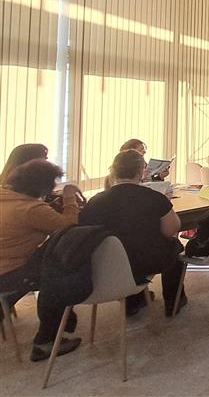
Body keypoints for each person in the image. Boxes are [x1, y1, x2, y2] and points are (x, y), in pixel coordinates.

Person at [81, 150, 186, 316]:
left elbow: (85, 232)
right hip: (146, 261)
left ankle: (133, 301)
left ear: (113, 172)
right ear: (140, 172)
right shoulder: (155, 198)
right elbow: (172, 229)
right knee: (175, 246)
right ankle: (174, 301)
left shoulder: (95, 201)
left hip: (103, 265)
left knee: (130, 248)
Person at [0, 160, 82, 361]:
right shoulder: (31, 209)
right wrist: (69, 198)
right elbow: (70, 229)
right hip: (10, 272)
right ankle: (46, 341)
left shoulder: (5, 196)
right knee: (62, 273)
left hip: (5, 266)